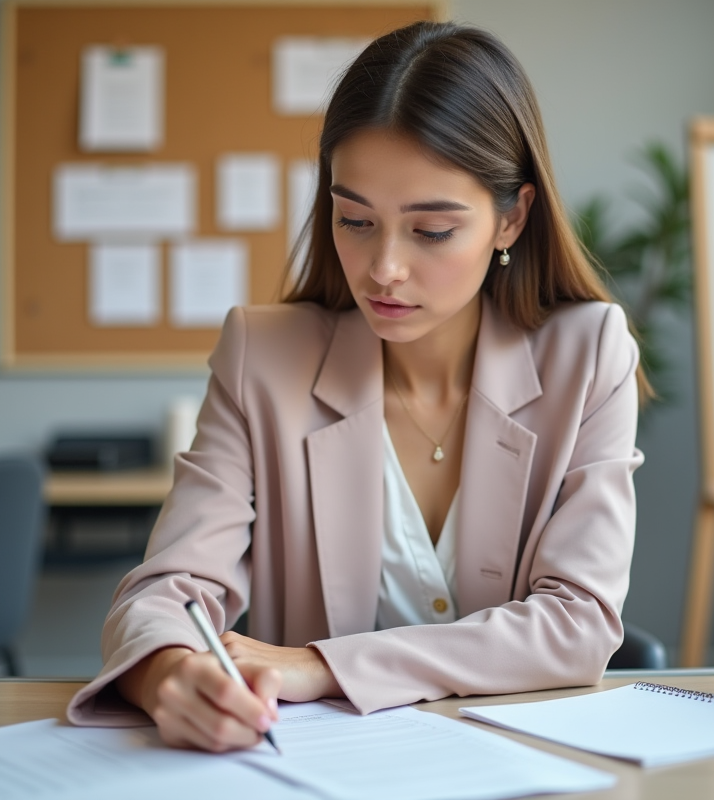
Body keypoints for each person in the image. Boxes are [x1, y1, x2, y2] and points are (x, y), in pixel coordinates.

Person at [67, 20, 647, 752]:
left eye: (430, 230)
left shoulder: (589, 354)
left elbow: (577, 625)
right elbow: (164, 593)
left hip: (520, 766)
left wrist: (320, 665)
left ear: (511, 217)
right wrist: (168, 676)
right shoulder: (263, 358)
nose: (383, 269)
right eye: (355, 220)